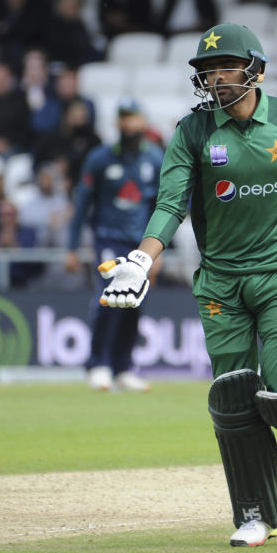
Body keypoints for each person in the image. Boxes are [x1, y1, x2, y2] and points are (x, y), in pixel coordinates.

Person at [95, 22, 277, 548]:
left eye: (223, 67)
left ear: (255, 69)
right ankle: (256, 514)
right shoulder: (192, 131)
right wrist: (141, 261)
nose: (214, 79)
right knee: (234, 398)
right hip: (220, 283)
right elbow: (169, 204)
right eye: (206, 71)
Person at [65, 98, 162, 393]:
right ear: (117, 123)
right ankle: (97, 365)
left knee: (134, 303)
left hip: (141, 245)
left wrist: (158, 252)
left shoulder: (155, 159)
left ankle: (122, 368)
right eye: (123, 118)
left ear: (142, 122)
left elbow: (163, 207)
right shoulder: (100, 158)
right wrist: (71, 247)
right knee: (110, 296)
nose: (128, 124)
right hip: (108, 237)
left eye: (132, 118)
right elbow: (81, 205)